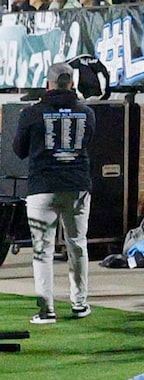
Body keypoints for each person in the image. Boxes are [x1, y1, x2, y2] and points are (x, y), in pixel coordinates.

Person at [16, 65, 92, 323]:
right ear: (71, 84)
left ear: (47, 84)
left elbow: (19, 150)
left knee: (42, 250)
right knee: (77, 245)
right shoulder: (87, 112)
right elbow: (88, 141)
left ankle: (46, 310)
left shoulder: (31, 113)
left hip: (42, 188)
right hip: (77, 185)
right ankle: (79, 304)